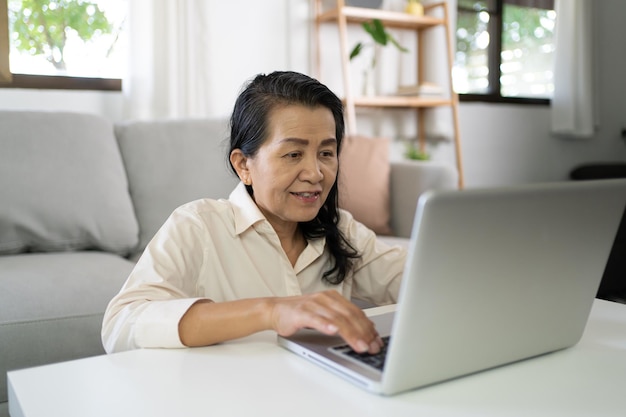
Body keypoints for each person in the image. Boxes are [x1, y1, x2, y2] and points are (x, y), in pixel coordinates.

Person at [102, 71, 406, 355]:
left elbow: (414, 280)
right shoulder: (198, 226)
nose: (315, 173)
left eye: (326, 153)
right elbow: (120, 325)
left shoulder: (342, 230)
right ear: (244, 165)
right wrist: (270, 311)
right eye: (293, 154)